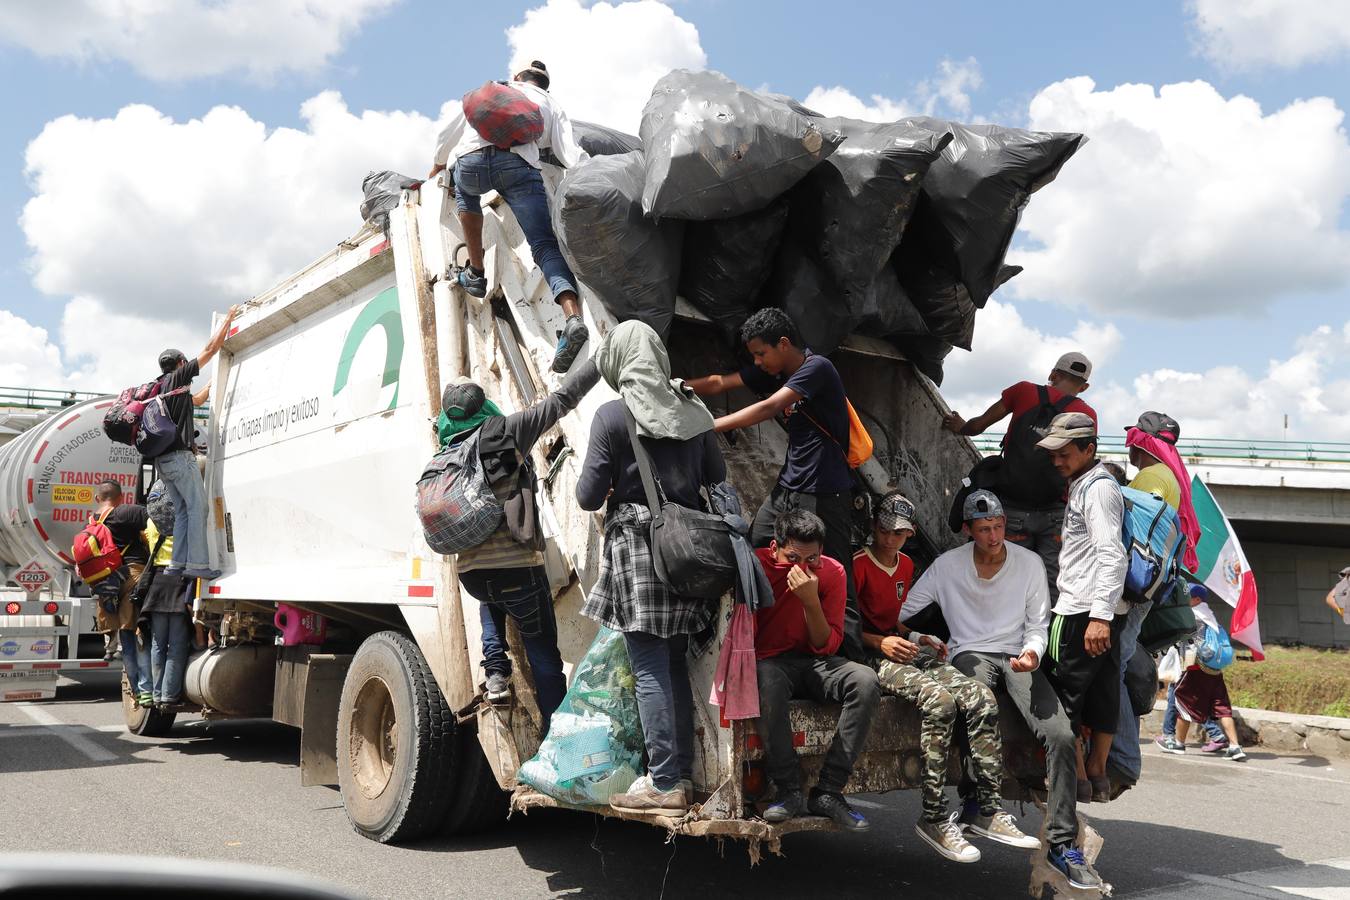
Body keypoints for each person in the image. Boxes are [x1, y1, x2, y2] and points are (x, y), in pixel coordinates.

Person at [898, 489, 1099, 890]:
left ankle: (1061, 843)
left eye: (999, 526)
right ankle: (975, 804)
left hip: (1017, 655)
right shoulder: (946, 566)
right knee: (977, 699)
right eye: (985, 529)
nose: (994, 536)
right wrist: (926, 638)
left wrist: (1032, 653)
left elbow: (1038, 624)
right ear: (968, 531)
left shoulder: (1027, 564)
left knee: (1060, 735)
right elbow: (904, 617)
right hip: (969, 652)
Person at [576, 321, 725, 816]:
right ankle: (677, 774)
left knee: (649, 667)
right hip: (686, 549)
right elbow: (716, 478)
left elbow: (587, 496)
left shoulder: (613, 416)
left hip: (639, 548)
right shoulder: (693, 409)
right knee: (673, 662)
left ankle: (665, 782)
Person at [854, 492, 1038, 862]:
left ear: (910, 534)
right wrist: (882, 642)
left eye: (900, 533)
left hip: (902, 649)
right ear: (874, 527)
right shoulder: (856, 564)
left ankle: (987, 809)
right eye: (886, 531)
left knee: (980, 698)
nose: (891, 539)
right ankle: (934, 816)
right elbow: (841, 628)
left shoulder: (906, 565)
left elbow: (898, 620)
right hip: (868, 656)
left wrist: (919, 637)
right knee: (940, 702)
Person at [687, 308, 864, 661]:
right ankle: (763, 644)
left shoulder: (817, 369)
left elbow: (769, 407)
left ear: (783, 344)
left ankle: (850, 659)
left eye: (760, 353)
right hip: (788, 488)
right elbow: (720, 383)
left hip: (824, 492)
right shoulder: (774, 369)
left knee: (832, 572)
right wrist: (676, 387)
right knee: (753, 551)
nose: (757, 361)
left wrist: (708, 428)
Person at [437, 355, 600, 729]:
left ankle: (495, 669)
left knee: (491, 597)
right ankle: (557, 739)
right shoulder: (506, 433)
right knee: (544, 658)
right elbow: (561, 401)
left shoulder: (445, 451)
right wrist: (599, 362)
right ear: (482, 405)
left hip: (473, 574)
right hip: (518, 571)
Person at [427, 61, 589, 374]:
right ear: (544, 84)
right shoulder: (549, 104)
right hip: (519, 168)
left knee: (465, 193)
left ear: (518, 77)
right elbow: (569, 154)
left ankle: (476, 272)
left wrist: (438, 163)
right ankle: (572, 318)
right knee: (543, 245)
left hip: (471, 164)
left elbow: (448, 132)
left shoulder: (496, 89)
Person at [752, 509, 879, 832]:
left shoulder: (832, 573)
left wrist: (810, 600)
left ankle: (829, 790)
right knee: (766, 679)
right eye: (793, 557)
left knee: (864, 681)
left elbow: (827, 644)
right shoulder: (757, 566)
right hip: (771, 661)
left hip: (814, 660)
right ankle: (788, 788)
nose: (802, 568)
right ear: (774, 548)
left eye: (812, 560)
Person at [942, 352, 1096, 601]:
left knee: (1011, 578)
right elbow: (1082, 464)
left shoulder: (1023, 391)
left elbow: (978, 425)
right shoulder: (1084, 414)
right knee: (1053, 583)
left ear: (1053, 374)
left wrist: (961, 426)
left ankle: (1009, 636)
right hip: (1055, 512)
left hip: (1012, 509)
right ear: (1085, 386)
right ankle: (1049, 637)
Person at [1036, 412, 1128, 805]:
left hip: (1082, 612)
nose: (1056, 460)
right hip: (1101, 612)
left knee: (1064, 692)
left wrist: (1098, 617)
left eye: (1064, 452)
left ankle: (1076, 777)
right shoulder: (1091, 484)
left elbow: (1112, 554)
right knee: (1103, 690)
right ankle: (1096, 776)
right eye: (1053, 453)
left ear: (1089, 449)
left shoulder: (1096, 490)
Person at [1112, 411, 1200, 783]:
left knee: (1112, 666)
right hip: (1152, 587)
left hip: (1132, 586)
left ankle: (1123, 759)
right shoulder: (1171, 475)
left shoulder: (1151, 476)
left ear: (1139, 442)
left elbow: (1134, 534)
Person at [152, 306, 237, 580]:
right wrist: (228, 320)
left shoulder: (164, 388)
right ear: (180, 364)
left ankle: (177, 564)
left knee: (183, 511)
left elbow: (197, 401)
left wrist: (212, 386)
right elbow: (211, 350)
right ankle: (199, 565)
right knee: (198, 508)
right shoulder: (179, 377)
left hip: (162, 461)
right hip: (179, 458)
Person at [91, 481, 151, 705]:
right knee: (139, 632)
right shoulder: (127, 512)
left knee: (126, 639)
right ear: (121, 496)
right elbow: (160, 519)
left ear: (98, 498)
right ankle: (146, 688)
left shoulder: (93, 520)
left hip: (108, 582)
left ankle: (135, 689)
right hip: (132, 575)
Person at [1171, 587, 1248, 761]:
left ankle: (1178, 743)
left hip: (1194, 669)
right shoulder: (1210, 615)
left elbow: (1179, 637)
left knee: (1183, 704)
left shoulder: (1192, 615)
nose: (1185, 599)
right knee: (1222, 707)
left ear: (1197, 599)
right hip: (1214, 671)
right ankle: (1235, 746)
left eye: (1188, 596)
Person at [139, 484, 192, 709]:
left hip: (158, 583)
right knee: (177, 645)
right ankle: (169, 695)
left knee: (158, 644)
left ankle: (157, 693)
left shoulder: (152, 522)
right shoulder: (185, 523)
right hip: (179, 581)